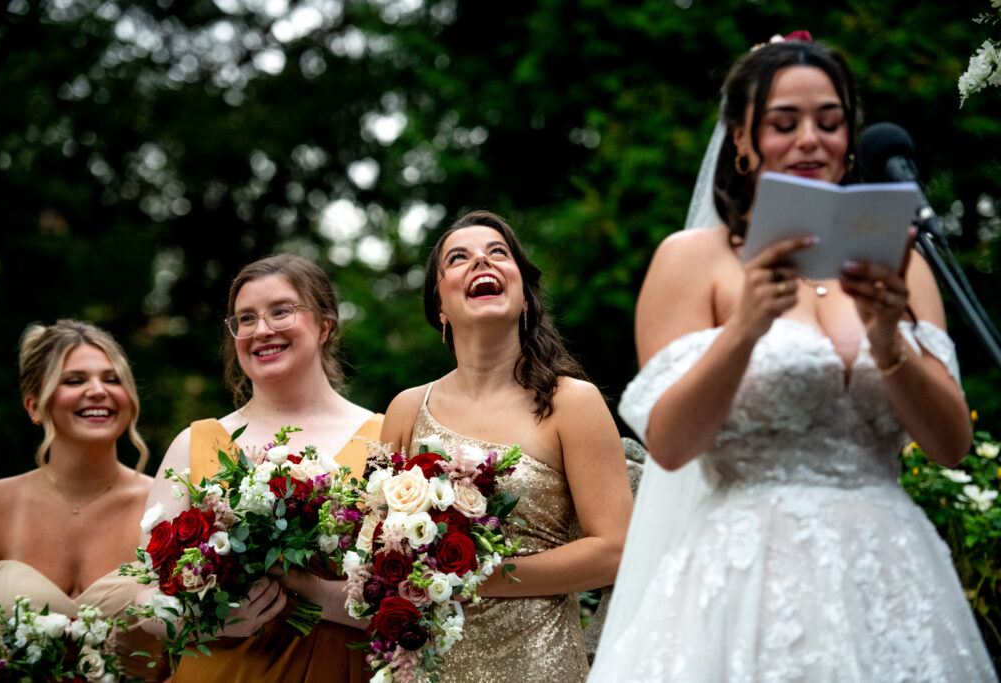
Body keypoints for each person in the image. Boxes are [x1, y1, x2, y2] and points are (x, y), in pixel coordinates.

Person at [588, 35, 998, 681]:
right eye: (785, 123)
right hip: (749, 573)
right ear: (744, 140)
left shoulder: (902, 262)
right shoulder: (692, 260)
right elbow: (668, 445)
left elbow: (951, 444)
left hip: (888, 567)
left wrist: (889, 339)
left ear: (850, 139)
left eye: (829, 122)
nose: (811, 139)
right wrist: (744, 329)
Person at [381, 210, 634, 682]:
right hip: (429, 666)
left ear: (523, 299)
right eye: (459, 258)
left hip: (537, 663)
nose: (482, 261)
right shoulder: (406, 409)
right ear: (440, 307)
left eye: (498, 252)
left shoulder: (570, 402)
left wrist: (476, 576)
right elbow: (381, 549)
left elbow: (615, 550)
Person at [144, 254, 382, 682]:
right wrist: (210, 620)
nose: (262, 330)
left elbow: (419, 602)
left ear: (325, 326)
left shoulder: (383, 439)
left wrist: (317, 595)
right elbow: (141, 597)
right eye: (245, 319)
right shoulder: (193, 444)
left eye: (281, 311)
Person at [0, 320, 169, 681]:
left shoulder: (166, 506)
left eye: (112, 380)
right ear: (34, 406)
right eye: (74, 380)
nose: (98, 391)